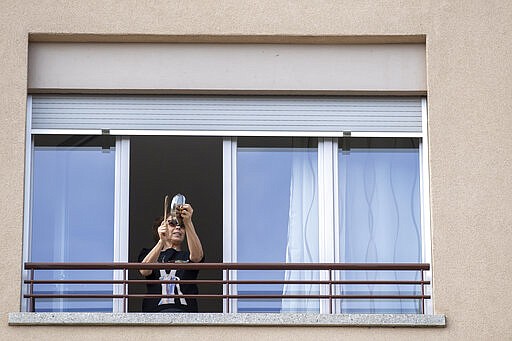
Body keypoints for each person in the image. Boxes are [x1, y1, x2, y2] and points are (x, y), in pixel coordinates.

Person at [138, 204, 204, 312]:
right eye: (172, 223)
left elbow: (197, 257)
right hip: (154, 315)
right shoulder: (148, 253)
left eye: (182, 226)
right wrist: (161, 242)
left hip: (185, 314)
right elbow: (144, 270)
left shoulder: (188, 255)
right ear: (161, 228)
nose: (178, 227)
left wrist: (188, 222)